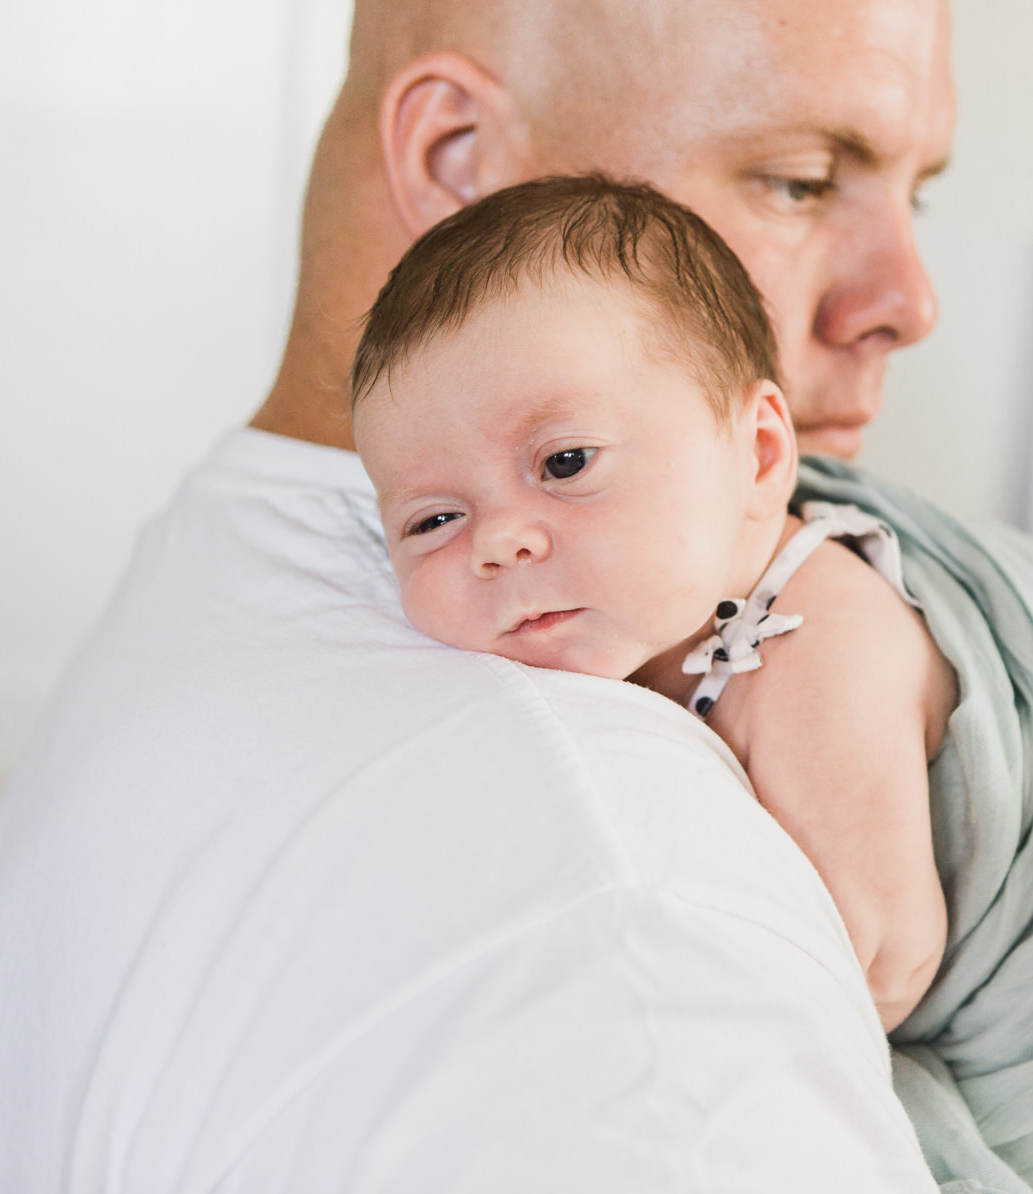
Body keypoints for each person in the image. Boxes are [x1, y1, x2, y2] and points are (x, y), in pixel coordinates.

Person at [0, 1, 1033, 1194]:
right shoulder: (634, 896)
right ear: (460, 155)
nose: (910, 303)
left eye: (917, 193)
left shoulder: (199, 583)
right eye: (802, 179)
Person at [352, 177, 954, 1034]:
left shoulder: (821, 651)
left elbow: (886, 957)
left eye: (564, 464)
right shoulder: (639, 613)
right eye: (434, 519)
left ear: (757, 456)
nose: (496, 542)